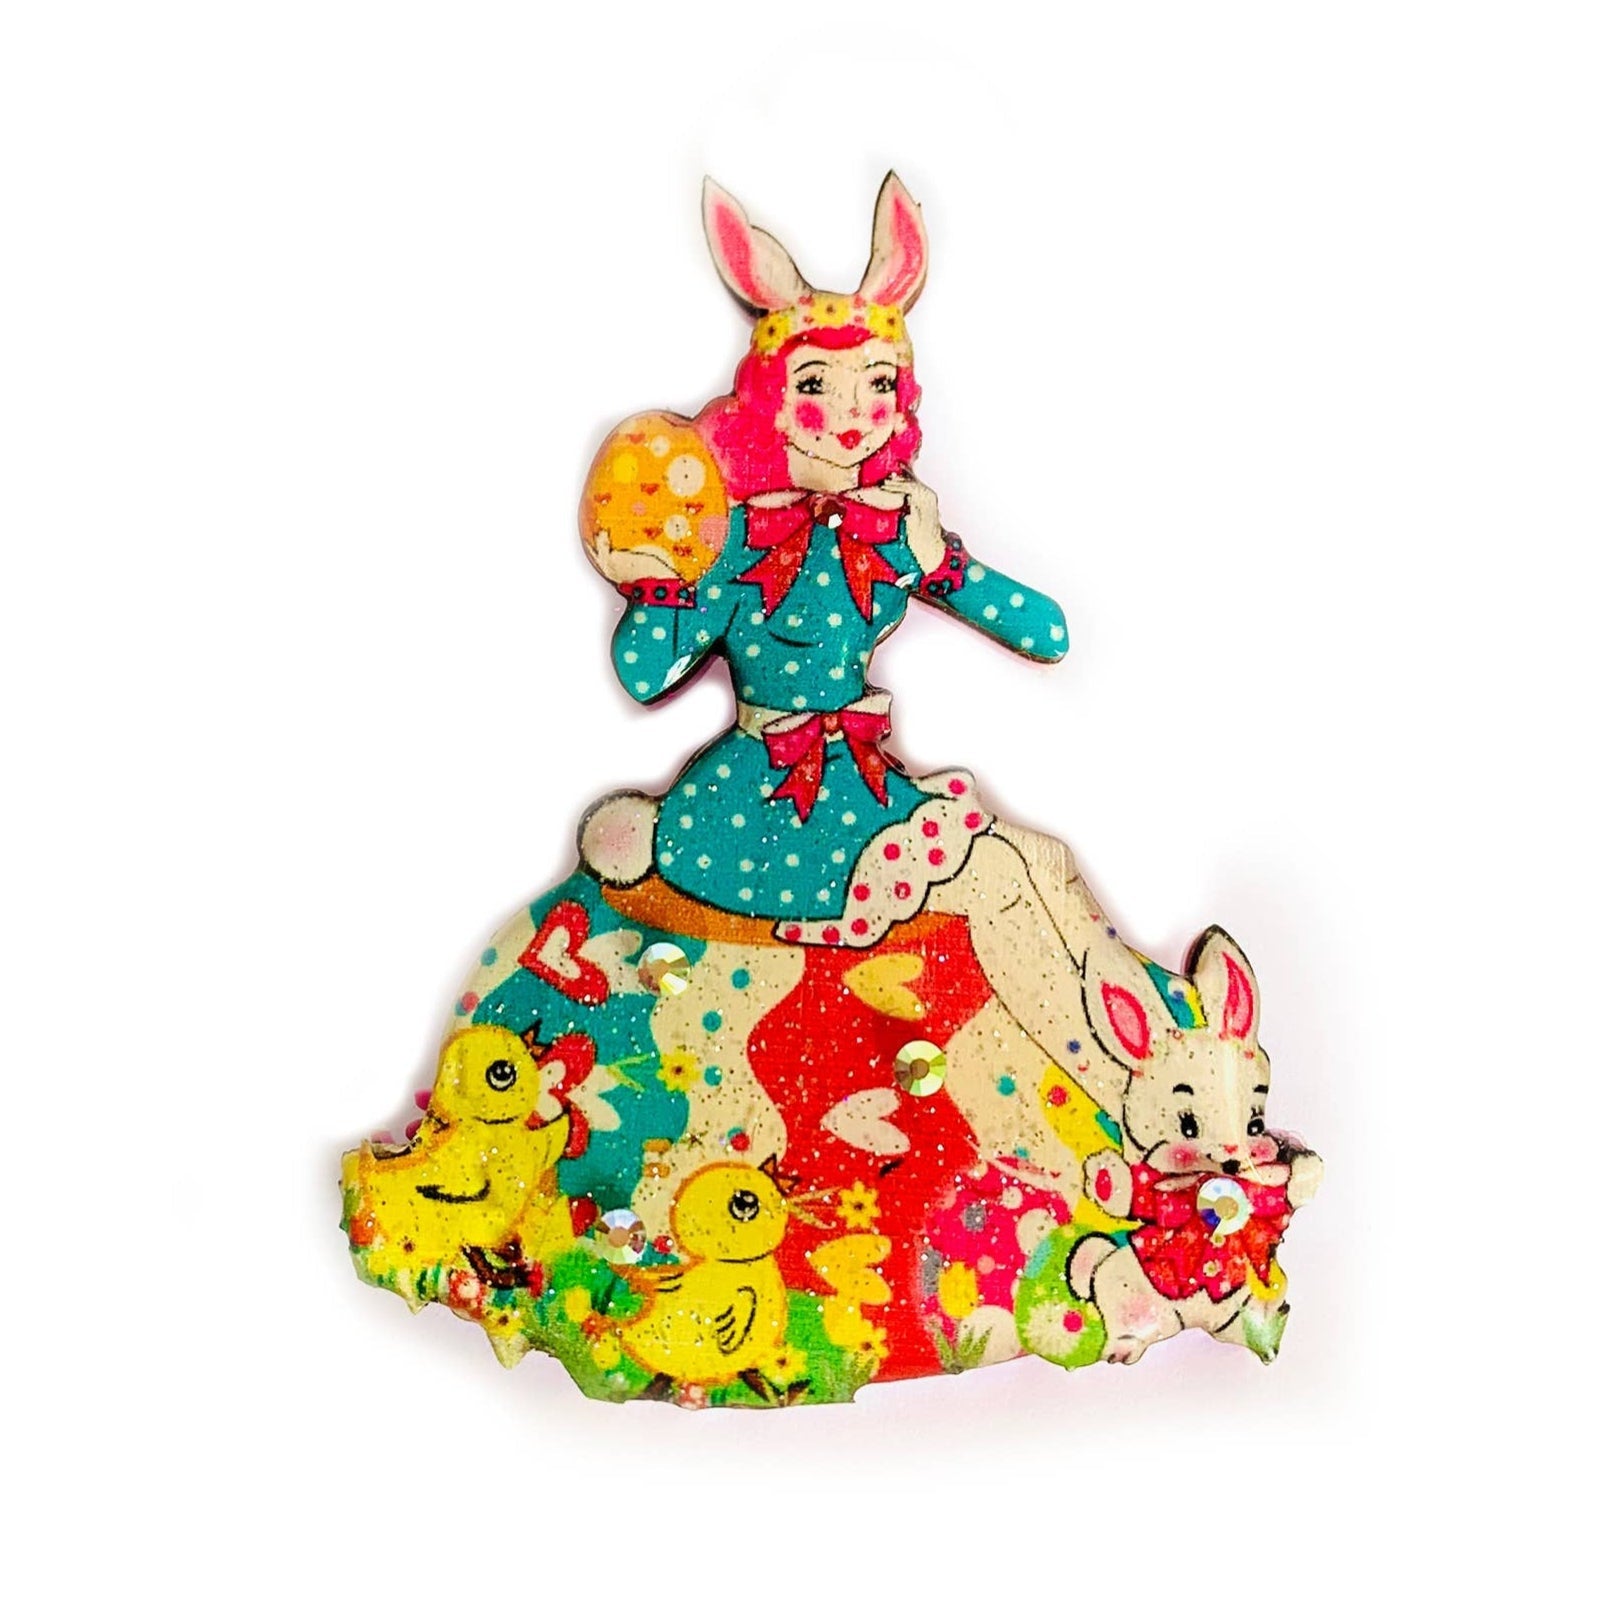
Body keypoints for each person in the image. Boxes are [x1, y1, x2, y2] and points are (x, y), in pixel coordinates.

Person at [580, 176, 1113, 1088]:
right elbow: (641, 673)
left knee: (1037, 861)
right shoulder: (738, 541)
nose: (850, 412)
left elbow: (1047, 632)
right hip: (760, 802)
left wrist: (942, 562)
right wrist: (655, 579)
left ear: (900, 400)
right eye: (815, 385)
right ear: (769, 399)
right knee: (995, 883)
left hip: (861, 782)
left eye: (876, 384)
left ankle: (1136, 1068)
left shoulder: (891, 534)